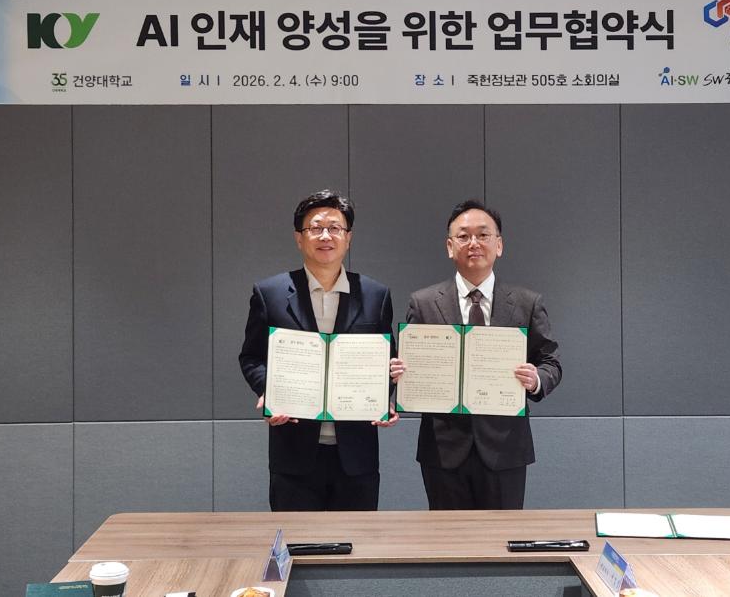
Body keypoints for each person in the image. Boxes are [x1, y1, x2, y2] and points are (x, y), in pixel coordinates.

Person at [390, 199, 561, 510]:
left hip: (505, 449)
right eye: (463, 236)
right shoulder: (423, 302)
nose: (473, 243)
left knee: (502, 536)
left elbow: (551, 362)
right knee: (447, 537)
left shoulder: (527, 302)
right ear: (450, 247)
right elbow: (408, 364)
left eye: (483, 235)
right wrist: (401, 374)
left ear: (499, 245)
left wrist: (536, 379)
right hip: (442, 449)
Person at [239, 190, 397, 511]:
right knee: (296, 539)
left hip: (357, 453)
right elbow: (251, 357)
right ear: (299, 238)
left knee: (356, 539)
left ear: (348, 238)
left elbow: (386, 360)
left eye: (335, 228)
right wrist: (269, 390)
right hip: (293, 450)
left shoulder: (375, 295)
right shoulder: (269, 293)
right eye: (316, 228)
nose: (326, 236)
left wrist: (388, 394)